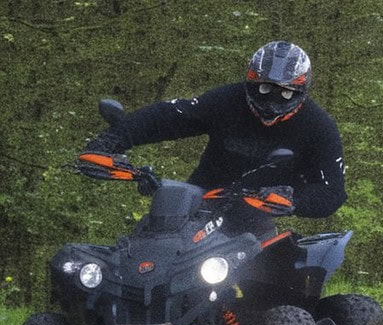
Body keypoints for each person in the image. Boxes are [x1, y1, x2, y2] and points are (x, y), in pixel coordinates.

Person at [82, 40, 346, 236]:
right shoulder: (228, 100)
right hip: (197, 201)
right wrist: (113, 140)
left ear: (301, 91)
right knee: (143, 243)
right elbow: (170, 116)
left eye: (285, 93)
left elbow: (333, 192)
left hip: (254, 217)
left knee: (265, 287)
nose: (272, 102)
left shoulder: (319, 126)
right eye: (264, 89)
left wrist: (294, 199)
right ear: (251, 81)